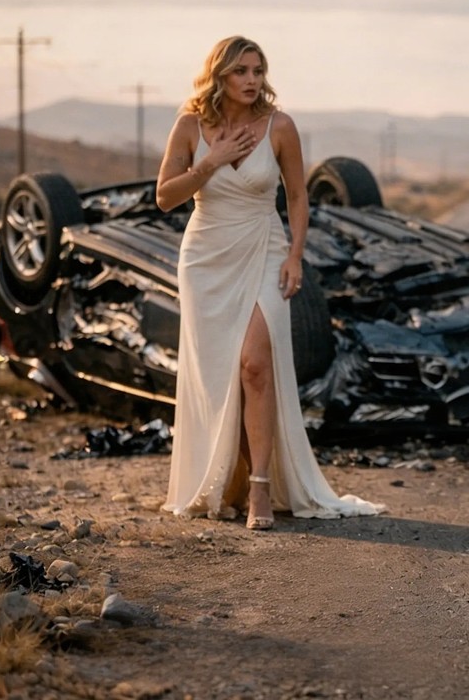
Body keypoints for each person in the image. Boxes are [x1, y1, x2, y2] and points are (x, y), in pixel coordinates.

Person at [155, 35, 383, 530]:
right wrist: (210, 161)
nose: (252, 80)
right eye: (241, 71)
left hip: (263, 247)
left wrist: (296, 255)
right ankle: (227, 481)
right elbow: (166, 197)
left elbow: (298, 196)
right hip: (205, 258)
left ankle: (260, 486)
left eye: (258, 71)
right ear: (219, 75)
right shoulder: (190, 125)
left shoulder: (280, 126)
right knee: (219, 376)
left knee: (255, 365)